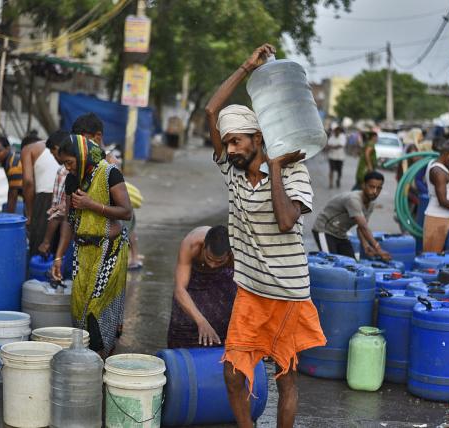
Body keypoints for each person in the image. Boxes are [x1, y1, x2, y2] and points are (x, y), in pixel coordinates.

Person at [205, 43, 326, 428]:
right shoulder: (231, 172)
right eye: (227, 142)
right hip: (251, 292)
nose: (231, 149)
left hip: (288, 295)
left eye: (237, 140)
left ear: (258, 137)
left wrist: (275, 167)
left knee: (286, 379)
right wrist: (246, 66)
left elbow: (287, 220)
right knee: (232, 373)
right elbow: (211, 110)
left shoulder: (294, 173)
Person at [50, 134, 133, 358]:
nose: (68, 168)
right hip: (82, 252)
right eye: (64, 164)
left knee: (98, 311)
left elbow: (127, 212)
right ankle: (88, 364)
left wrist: (91, 204)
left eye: (70, 162)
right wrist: (58, 257)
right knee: (79, 309)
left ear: (82, 155)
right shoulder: (72, 180)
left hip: (109, 251)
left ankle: (102, 363)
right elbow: (69, 221)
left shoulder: (109, 174)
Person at [72, 113, 144, 270]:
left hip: (107, 244)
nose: (81, 148)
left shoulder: (110, 165)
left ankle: (134, 256)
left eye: (84, 141)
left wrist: (90, 204)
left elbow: (124, 212)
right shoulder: (78, 165)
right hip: (85, 244)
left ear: (98, 137)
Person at [167, 225, 237, 349]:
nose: (213, 265)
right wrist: (201, 322)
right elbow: (179, 289)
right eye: (209, 258)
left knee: (225, 323)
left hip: (222, 278)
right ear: (204, 246)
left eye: (219, 261)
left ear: (229, 254)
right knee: (183, 327)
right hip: (194, 278)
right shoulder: (191, 244)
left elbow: (245, 288)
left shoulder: (237, 252)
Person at [312, 171, 390, 260]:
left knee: (351, 263)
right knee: (331, 263)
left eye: (379, 188)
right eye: (372, 187)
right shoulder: (353, 199)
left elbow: (360, 228)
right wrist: (378, 249)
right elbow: (364, 227)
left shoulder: (371, 203)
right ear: (363, 185)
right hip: (324, 230)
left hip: (341, 234)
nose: (375, 192)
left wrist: (365, 246)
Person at [21, 135, 61, 256]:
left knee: (40, 246)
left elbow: (28, 182)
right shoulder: (59, 143)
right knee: (59, 245)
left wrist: (29, 213)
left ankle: (38, 274)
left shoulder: (28, 149)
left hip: (45, 198)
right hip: (66, 196)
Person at [38, 130, 71, 256]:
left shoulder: (63, 171)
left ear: (57, 148)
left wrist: (46, 242)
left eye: (53, 154)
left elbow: (58, 213)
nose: (54, 158)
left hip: (69, 234)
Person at [0, 136, 23, 213]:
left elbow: (13, 193)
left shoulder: (14, 164)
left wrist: (8, 217)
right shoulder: (7, 161)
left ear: (7, 148)